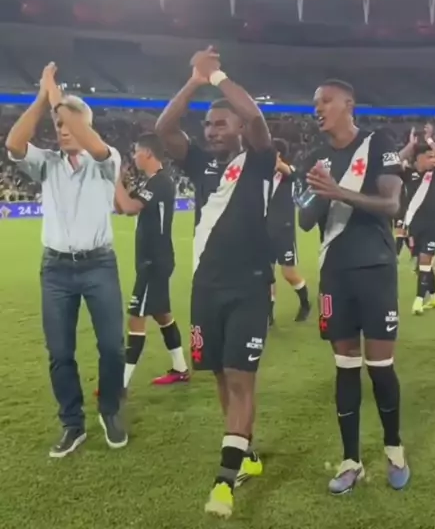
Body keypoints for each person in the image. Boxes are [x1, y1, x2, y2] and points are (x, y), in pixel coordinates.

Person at [156, 47, 275, 519]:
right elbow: (165, 128)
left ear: (240, 128)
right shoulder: (200, 164)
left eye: (220, 123)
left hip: (249, 287)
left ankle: (225, 480)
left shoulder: (260, 158)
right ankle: (245, 451)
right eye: (207, 125)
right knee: (222, 376)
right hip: (205, 289)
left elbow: (256, 116)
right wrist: (194, 80)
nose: (211, 130)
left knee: (241, 378)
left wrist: (218, 75)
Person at [6, 63, 127, 457]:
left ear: (86, 126)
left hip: (99, 265)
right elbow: (14, 144)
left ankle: (110, 410)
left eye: (69, 124)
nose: (62, 130)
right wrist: (44, 97)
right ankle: (72, 424)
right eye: (57, 125)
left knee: (112, 348)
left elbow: (93, 143)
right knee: (60, 353)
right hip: (56, 269)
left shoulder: (106, 161)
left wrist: (60, 101)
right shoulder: (47, 162)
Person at [298, 79, 410, 495]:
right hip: (335, 273)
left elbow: (391, 205)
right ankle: (351, 461)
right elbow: (305, 220)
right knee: (345, 368)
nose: (318, 108)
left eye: (325, 101)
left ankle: (394, 449)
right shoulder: (315, 157)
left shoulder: (379, 143)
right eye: (315, 103)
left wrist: (338, 190)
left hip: (376, 269)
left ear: (349, 104)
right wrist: (321, 192)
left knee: (380, 368)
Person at [114, 133, 189, 389]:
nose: (134, 157)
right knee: (162, 314)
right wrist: (120, 183)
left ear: (147, 153)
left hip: (154, 262)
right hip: (155, 259)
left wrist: (115, 179)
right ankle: (180, 368)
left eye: (136, 151)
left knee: (136, 317)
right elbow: (121, 207)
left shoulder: (160, 182)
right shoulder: (151, 182)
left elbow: (130, 207)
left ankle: (120, 384)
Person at [398, 125, 435, 315]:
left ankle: (418, 301)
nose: (434, 160)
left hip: (432, 224)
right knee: (421, 264)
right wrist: (410, 145)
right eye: (429, 157)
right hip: (414, 225)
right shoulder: (408, 174)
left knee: (425, 262)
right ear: (418, 159)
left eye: (433, 157)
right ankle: (434, 297)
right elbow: (396, 160)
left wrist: (429, 140)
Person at [268, 138, 310, 325]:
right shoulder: (264, 175)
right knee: (267, 275)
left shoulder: (287, 171)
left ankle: (305, 303)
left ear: (278, 154)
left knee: (289, 273)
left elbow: (289, 172)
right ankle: (269, 315)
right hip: (264, 229)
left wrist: (275, 161)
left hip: (283, 229)